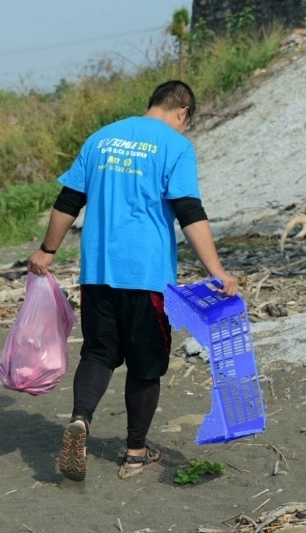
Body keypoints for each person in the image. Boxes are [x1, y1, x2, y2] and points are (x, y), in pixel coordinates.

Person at [28, 80, 238, 482]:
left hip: (98, 273)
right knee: (146, 365)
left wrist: (47, 251)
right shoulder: (176, 146)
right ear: (183, 113)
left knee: (98, 353)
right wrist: (217, 271)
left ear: (152, 104)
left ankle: (80, 420)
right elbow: (189, 211)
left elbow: (68, 202)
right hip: (146, 277)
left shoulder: (101, 139)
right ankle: (136, 453)